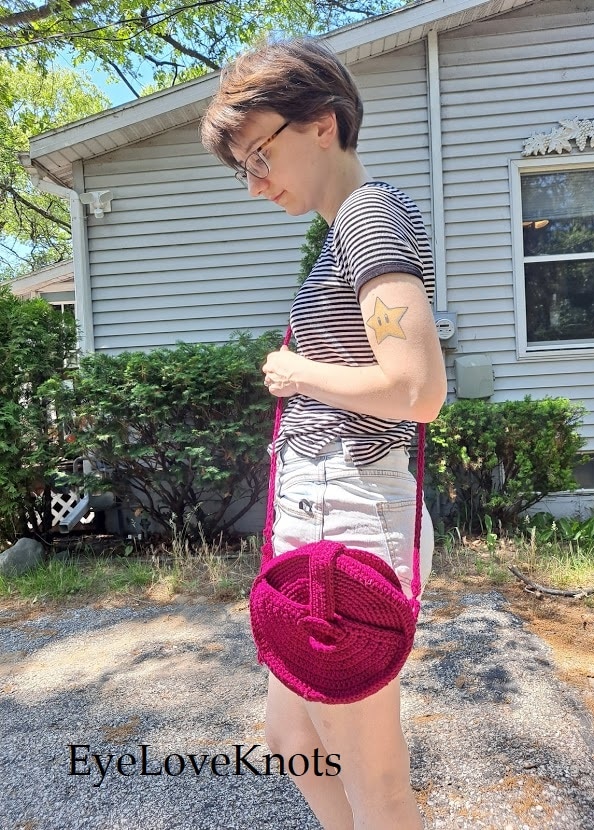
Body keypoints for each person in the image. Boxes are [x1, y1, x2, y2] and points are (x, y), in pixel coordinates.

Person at [201, 37, 447, 830]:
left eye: (258, 154)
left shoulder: (369, 218)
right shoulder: (344, 229)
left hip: (351, 512)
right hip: (322, 508)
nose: (253, 184)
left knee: (374, 777)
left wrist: (298, 372)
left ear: (322, 123)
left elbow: (417, 388)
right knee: (289, 737)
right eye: (242, 168)